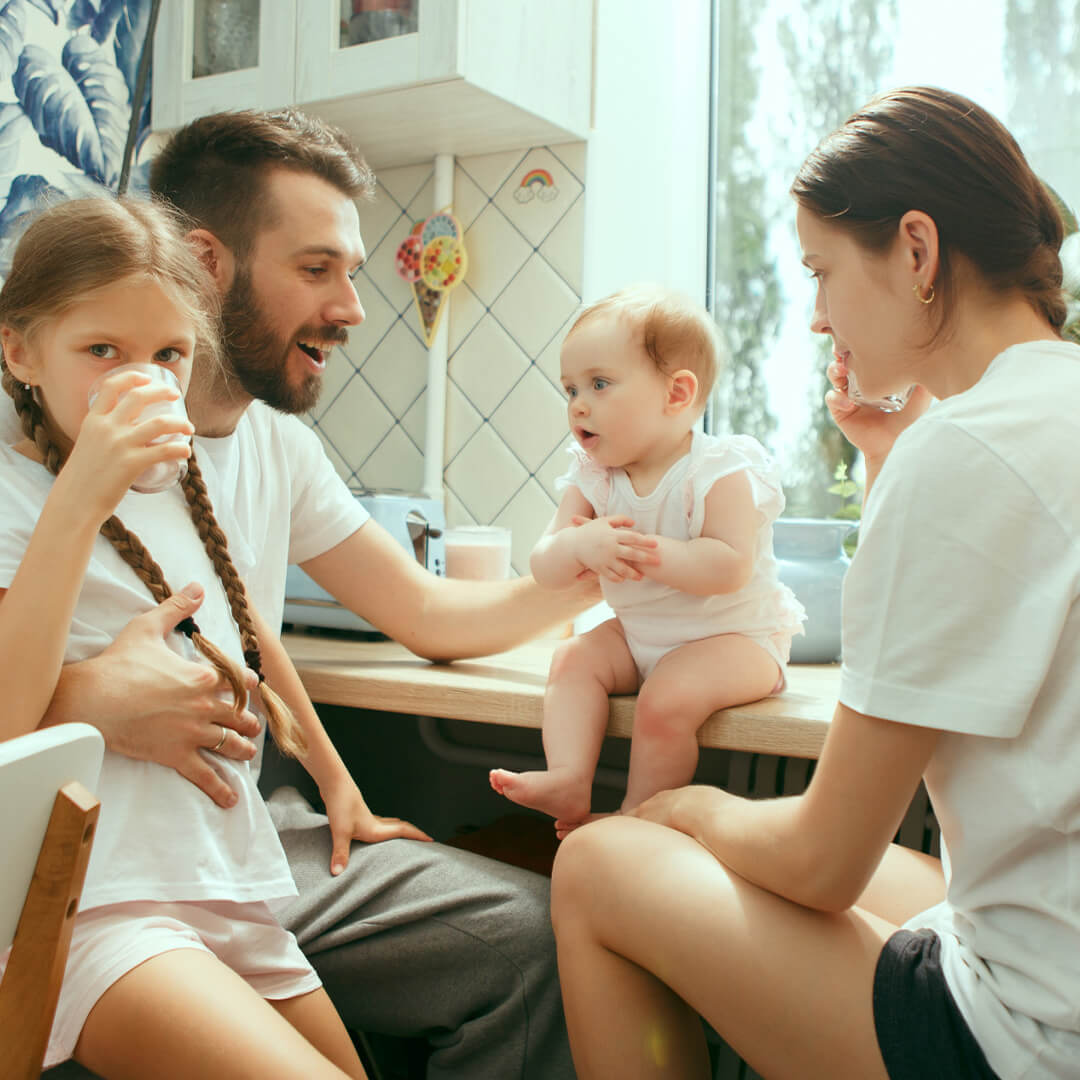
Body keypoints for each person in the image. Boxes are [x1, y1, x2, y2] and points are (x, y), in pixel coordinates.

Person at [18, 109, 592, 1080]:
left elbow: (396, 616)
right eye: (317, 268)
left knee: (533, 941)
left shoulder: (266, 448)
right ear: (208, 263)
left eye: (164, 355)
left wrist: (594, 563)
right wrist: (84, 704)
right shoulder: (26, 458)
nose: (352, 307)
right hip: (100, 874)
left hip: (239, 847)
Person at [549, 85, 1080, 1080]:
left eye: (823, 272)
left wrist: (686, 812)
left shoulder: (962, 452)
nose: (818, 317)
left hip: (1026, 1043)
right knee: (917, 873)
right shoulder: (1037, 414)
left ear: (916, 252)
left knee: (597, 862)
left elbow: (820, 866)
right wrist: (888, 461)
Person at [0, 196, 413, 1077]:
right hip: (91, 905)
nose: (139, 378)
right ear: (19, 350)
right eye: (101, 351)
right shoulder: (12, 495)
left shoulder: (183, 487)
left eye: (168, 355)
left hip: (224, 886)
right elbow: (5, 716)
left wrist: (338, 782)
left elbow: (245, 627)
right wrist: (82, 493)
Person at [489, 286, 804, 834]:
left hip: (736, 641)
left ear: (677, 394)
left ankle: (641, 816)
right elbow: (544, 564)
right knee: (571, 661)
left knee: (665, 700)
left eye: (600, 384)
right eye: (570, 389)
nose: (578, 405)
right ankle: (567, 778)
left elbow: (729, 565)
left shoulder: (718, 467)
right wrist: (578, 547)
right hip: (640, 638)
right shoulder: (594, 475)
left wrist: (648, 553)